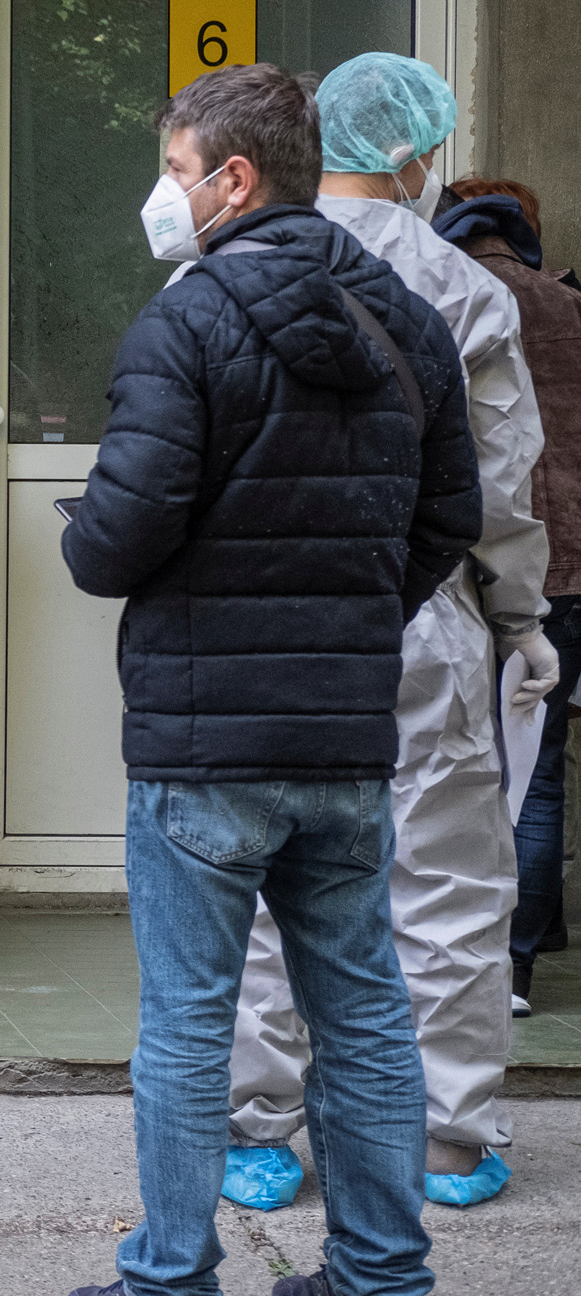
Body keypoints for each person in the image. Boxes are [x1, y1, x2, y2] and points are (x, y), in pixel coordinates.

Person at [58, 63, 480, 1296]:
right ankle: (382, 1285)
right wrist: (350, 616)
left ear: (233, 179)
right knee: (363, 1009)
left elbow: (113, 544)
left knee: (188, 1023)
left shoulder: (182, 326)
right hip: (346, 737)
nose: (164, 196)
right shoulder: (408, 321)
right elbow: (447, 525)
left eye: (176, 170)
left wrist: (102, 536)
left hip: (203, 746)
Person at [224, 54, 552, 1216]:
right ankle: (448, 1137)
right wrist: (521, 613)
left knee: (259, 878)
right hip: (422, 619)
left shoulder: (234, 268)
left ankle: (255, 1130)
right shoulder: (464, 288)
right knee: (447, 886)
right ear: (412, 152)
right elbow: (501, 482)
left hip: (264, 628)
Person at [439, 177, 581, 1017]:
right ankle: (524, 959)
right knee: (543, 765)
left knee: (481, 769)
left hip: (491, 567)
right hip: (575, 565)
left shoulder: (452, 298)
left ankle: (489, 962)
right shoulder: (569, 305)